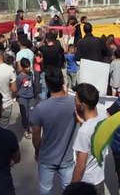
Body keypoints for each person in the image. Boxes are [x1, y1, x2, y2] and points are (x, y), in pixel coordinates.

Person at [30, 67, 77, 195]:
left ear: (47, 84)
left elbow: (36, 136)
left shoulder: (40, 108)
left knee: (45, 190)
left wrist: (37, 151)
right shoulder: (74, 103)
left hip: (46, 157)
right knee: (70, 190)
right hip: (67, 157)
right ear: (63, 83)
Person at [71, 83, 107, 195]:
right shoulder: (103, 118)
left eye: (75, 99)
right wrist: (84, 123)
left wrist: (71, 190)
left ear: (82, 105)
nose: (74, 101)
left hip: (86, 184)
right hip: (99, 180)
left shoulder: (84, 132)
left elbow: (80, 166)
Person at [39, 33, 65, 100]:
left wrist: (43, 38)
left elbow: (38, 46)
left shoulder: (44, 48)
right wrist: (62, 40)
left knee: (44, 91)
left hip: (46, 70)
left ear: (47, 39)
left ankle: (44, 106)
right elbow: (65, 50)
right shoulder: (57, 47)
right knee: (57, 90)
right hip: (56, 71)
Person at [17, 58, 35, 139]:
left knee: (31, 113)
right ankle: (25, 129)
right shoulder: (20, 77)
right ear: (23, 67)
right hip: (23, 97)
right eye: (27, 67)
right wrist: (17, 97)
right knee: (25, 114)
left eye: (29, 66)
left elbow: (33, 84)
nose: (28, 68)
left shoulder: (31, 74)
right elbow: (17, 87)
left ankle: (29, 127)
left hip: (31, 97)